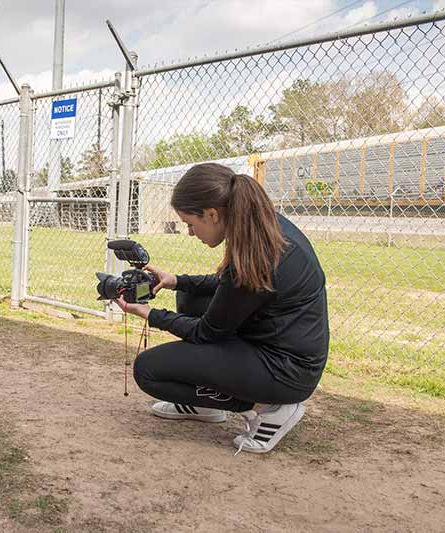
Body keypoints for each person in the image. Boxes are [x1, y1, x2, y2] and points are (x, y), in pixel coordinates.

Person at [115, 163, 329, 454]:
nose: (190, 232)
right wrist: (177, 281)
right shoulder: (261, 227)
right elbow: (231, 288)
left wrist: (149, 314)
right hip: (277, 346)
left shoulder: (261, 252)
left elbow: (206, 332)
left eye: (191, 223)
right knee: (191, 296)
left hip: (285, 372)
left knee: (149, 370)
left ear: (212, 214)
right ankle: (204, 405)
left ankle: (269, 408)